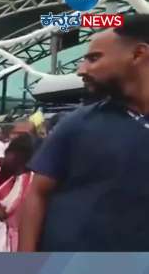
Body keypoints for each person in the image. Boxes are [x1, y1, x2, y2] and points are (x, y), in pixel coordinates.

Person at [20, 14, 149, 251]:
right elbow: (37, 194)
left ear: (138, 54)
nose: (81, 70)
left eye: (93, 58)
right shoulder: (77, 123)